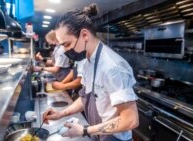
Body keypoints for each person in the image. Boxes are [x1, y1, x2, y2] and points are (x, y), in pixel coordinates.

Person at [43, 3, 139, 141]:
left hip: (115, 138)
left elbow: (131, 120)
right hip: (98, 133)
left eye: (67, 44)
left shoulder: (113, 67)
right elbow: (87, 98)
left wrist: (84, 130)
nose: (65, 50)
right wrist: (61, 114)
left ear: (84, 35)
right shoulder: (88, 61)